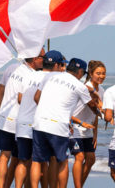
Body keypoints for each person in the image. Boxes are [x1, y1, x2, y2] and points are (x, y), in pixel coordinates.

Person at [30, 58, 95, 188]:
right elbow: (91, 105)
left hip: (39, 122)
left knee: (36, 161)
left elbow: (36, 98)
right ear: (81, 72)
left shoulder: (50, 76)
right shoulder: (79, 86)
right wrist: (101, 113)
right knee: (62, 162)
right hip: (58, 126)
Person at [14, 50, 67, 188]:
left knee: (23, 161)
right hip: (39, 124)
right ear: (56, 65)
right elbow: (41, 100)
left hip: (22, 121)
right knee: (49, 160)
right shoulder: (53, 79)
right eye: (61, 65)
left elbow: (20, 98)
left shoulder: (30, 75)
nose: (62, 68)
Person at [0, 48, 45, 188]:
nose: (45, 59)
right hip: (19, 121)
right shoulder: (31, 75)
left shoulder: (11, 67)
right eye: (43, 56)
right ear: (35, 59)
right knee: (21, 159)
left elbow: (1, 89)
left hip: (4, 118)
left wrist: (1, 109)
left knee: (4, 156)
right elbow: (21, 98)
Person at [70, 60, 106, 188]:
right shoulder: (85, 88)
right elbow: (94, 107)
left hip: (88, 129)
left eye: (103, 73)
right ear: (90, 73)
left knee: (91, 159)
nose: (101, 76)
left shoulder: (101, 90)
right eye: (98, 73)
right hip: (75, 127)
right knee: (79, 157)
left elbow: (95, 114)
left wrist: (96, 134)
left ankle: (79, 185)